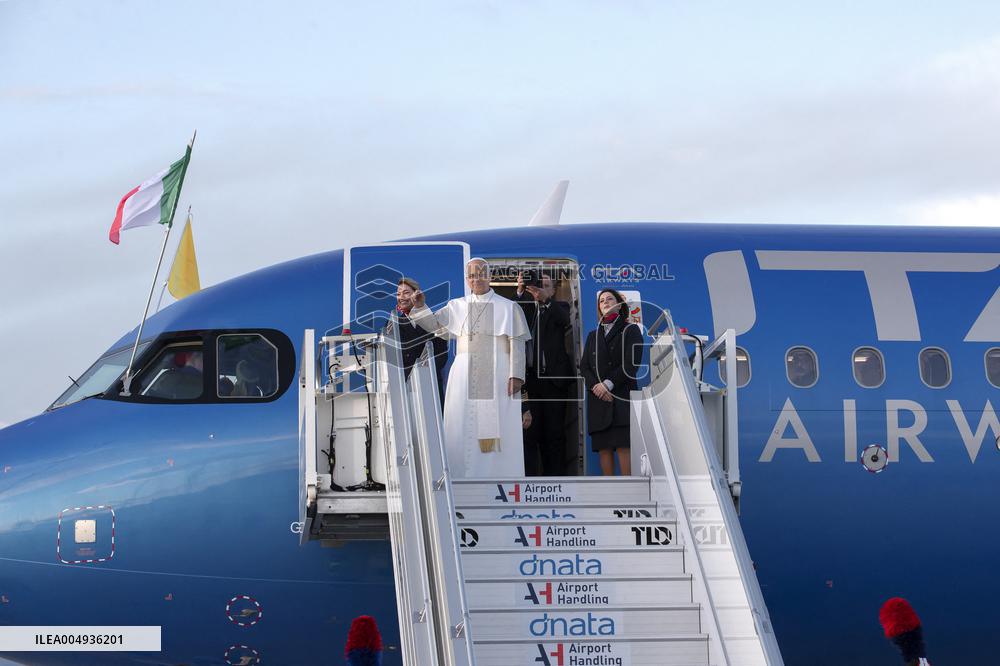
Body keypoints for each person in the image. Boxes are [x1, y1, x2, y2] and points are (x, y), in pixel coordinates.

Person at [410, 257, 531, 478]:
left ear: (490, 276)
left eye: (481, 273)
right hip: (464, 373)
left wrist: (516, 375)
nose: (477, 278)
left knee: (498, 430)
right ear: (466, 279)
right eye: (472, 275)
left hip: (498, 372)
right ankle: (460, 477)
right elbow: (436, 327)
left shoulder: (508, 307)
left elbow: (517, 342)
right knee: (462, 423)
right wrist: (420, 307)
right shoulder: (457, 306)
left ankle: (498, 477)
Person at [580, 288, 643, 476]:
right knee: (604, 448)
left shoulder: (630, 329)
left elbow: (631, 363)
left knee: (624, 446)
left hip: (621, 396)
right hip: (598, 398)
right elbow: (584, 367)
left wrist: (608, 384)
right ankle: (611, 493)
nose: (605, 302)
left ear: (619, 303)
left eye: (609, 299)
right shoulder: (593, 335)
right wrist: (596, 387)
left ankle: (629, 492)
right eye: (601, 301)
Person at [516, 270, 573, 476]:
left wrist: (546, 300)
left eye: (546, 285)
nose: (540, 288)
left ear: (554, 289)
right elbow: (512, 313)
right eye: (538, 284)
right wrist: (521, 292)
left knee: (554, 434)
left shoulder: (559, 307)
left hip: (554, 382)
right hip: (530, 382)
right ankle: (529, 481)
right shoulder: (525, 310)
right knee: (529, 433)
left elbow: (564, 319)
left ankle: (557, 481)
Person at [390, 277, 448, 406]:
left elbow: (442, 354)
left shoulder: (432, 320)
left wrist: (424, 371)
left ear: (417, 294)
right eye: (398, 294)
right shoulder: (392, 324)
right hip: (406, 386)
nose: (401, 297)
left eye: (406, 293)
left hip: (431, 384)